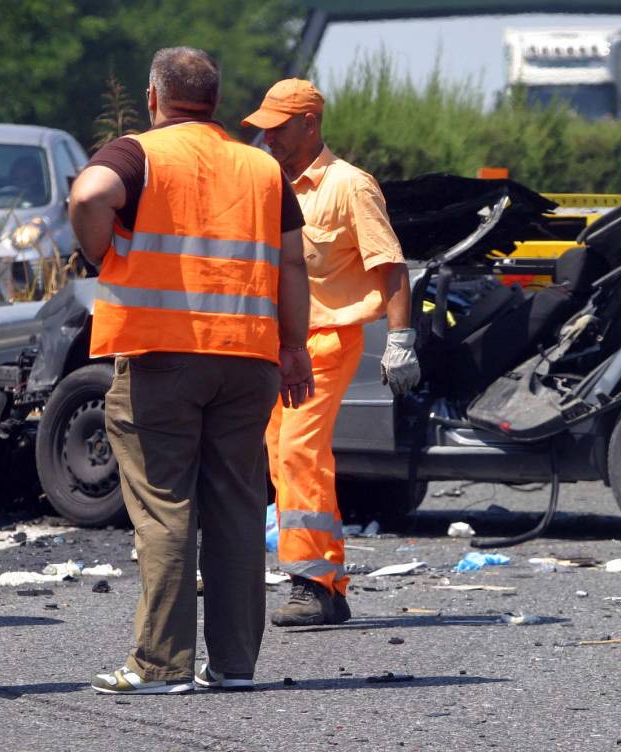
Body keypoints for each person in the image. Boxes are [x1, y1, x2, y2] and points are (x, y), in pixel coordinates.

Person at [70, 47, 313, 694]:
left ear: (155, 98)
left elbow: (91, 194)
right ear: (214, 100)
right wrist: (294, 348)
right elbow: (293, 264)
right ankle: (234, 665)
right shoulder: (262, 167)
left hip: (161, 357)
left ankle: (160, 664)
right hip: (249, 359)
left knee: (166, 506)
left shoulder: (139, 153)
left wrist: (100, 251)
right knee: (237, 506)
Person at [242, 78, 419, 627]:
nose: (267, 137)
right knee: (282, 453)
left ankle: (312, 583)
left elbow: (389, 266)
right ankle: (329, 582)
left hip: (325, 340)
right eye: (263, 128)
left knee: (299, 452)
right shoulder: (272, 183)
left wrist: (400, 341)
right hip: (278, 342)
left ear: (309, 124)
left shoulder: (350, 186)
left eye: (277, 127)